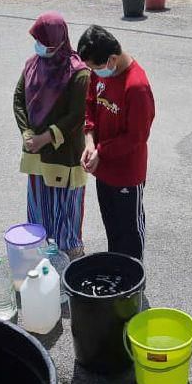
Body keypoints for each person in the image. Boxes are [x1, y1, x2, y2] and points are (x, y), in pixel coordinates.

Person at [13, 13, 91, 258]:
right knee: (40, 216)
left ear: (58, 41)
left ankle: (70, 269)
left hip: (65, 158)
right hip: (36, 155)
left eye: (43, 41)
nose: (39, 46)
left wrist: (46, 137)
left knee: (65, 216)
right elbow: (18, 100)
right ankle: (44, 265)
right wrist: (27, 133)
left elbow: (77, 115)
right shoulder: (32, 65)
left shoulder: (79, 73)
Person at [78, 25, 156, 261]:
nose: (93, 72)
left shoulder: (137, 86)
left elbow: (136, 137)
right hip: (104, 171)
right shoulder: (100, 73)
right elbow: (90, 105)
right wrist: (89, 140)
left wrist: (101, 150)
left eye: (96, 67)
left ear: (112, 59)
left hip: (127, 176)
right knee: (113, 232)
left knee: (129, 236)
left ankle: (134, 285)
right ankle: (118, 279)